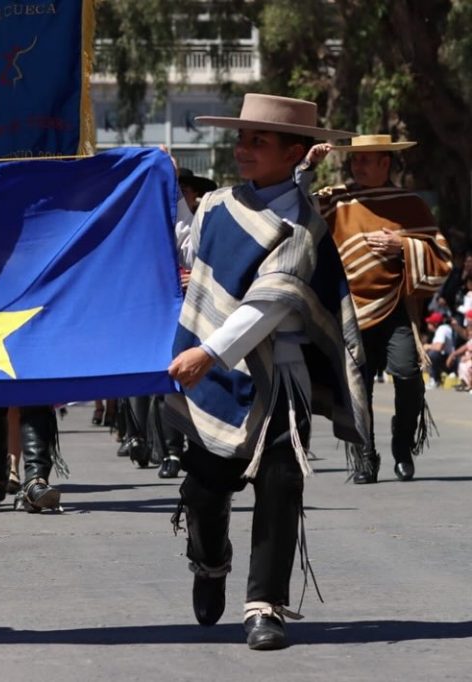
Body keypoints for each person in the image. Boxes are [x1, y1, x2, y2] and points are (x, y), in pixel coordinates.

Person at [164, 94, 369, 650]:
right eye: (242, 139)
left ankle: (265, 607)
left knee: (281, 484)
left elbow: (271, 303)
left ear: (294, 152)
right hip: (212, 376)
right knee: (206, 490)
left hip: (280, 375)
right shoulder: (217, 204)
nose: (243, 149)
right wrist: (158, 186)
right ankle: (209, 562)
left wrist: (208, 351)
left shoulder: (303, 222)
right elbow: (191, 250)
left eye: (259, 140)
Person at [301, 134, 452, 482]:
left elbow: (441, 255)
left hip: (396, 307)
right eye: (355, 159)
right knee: (359, 386)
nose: (359, 165)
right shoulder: (334, 199)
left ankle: (403, 443)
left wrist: (404, 245)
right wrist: (308, 167)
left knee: (408, 375)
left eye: (367, 159)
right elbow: (295, 209)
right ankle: (365, 455)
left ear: (386, 163)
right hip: (348, 308)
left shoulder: (409, 202)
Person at [422, 311, 455, 387]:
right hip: (446, 358)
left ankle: (434, 380)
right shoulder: (442, 329)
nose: (428, 325)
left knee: (433, 354)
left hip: (449, 360)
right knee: (430, 353)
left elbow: (438, 347)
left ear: (435, 324)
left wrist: (427, 346)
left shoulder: (442, 329)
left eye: (429, 323)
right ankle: (436, 378)